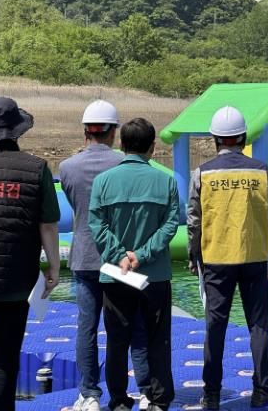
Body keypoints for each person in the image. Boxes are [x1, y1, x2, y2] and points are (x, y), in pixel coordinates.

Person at [59, 101, 151, 411]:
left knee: (86, 328)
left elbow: (78, 208)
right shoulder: (125, 165)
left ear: (85, 131)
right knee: (131, 327)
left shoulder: (67, 167)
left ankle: (89, 394)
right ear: (114, 132)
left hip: (84, 256)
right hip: (120, 259)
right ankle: (144, 389)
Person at [0, 97, 60, 411]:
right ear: (18, 130)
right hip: (14, 280)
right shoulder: (37, 168)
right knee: (4, 359)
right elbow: (48, 225)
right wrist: (54, 268)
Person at [187, 106, 268, 410]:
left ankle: (212, 394)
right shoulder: (262, 171)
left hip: (216, 258)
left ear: (215, 139)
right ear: (243, 137)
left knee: (215, 327)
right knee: (258, 325)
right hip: (254, 256)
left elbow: (194, 221)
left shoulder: (202, 173)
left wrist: (194, 255)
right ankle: (262, 390)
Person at [89, 118, 179, 411]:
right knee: (157, 339)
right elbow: (170, 225)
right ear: (152, 147)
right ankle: (159, 399)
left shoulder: (103, 181)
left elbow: (96, 224)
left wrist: (119, 255)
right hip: (155, 275)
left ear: (121, 144)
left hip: (116, 275)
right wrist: (143, 254)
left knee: (117, 341)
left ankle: (118, 399)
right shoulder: (166, 181)